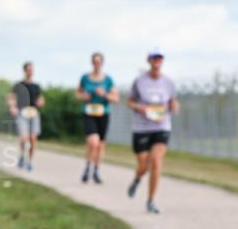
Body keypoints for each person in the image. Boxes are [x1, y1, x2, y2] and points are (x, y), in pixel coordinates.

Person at [126, 48, 179, 213]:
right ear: (148, 60)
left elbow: (173, 102)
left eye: (159, 58)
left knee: (156, 161)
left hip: (161, 126)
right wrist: (141, 108)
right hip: (142, 128)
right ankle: (136, 180)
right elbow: (130, 102)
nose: (157, 61)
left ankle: (150, 200)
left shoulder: (168, 82)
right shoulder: (139, 81)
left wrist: (174, 107)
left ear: (162, 61)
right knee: (144, 166)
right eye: (154, 58)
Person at [76, 51, 119, 183]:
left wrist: (104, 94)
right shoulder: (85, 78)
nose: (97, 64)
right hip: (89, 113)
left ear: (102, 63)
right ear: (92, 63)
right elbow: (77, 94)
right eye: (95, 61)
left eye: (99, 61)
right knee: (92, 142)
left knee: (100, 145)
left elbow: (115, 98)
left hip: (103, 113)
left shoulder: (108, 80)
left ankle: (96, 171)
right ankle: (87, 167)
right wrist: (84, 96)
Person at [8, 62, 45, 171]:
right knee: (24, 138)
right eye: (28, 69)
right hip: (22, 113)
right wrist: (12, 107)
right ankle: (22, 156)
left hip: (33, 113)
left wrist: (41, 102)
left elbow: (41, 99)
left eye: (32, 69)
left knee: (33, 138)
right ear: (24, 70)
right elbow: (11, 97)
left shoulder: (36, 86)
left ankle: (30, 161)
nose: (30, 71)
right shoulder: (18, 85)